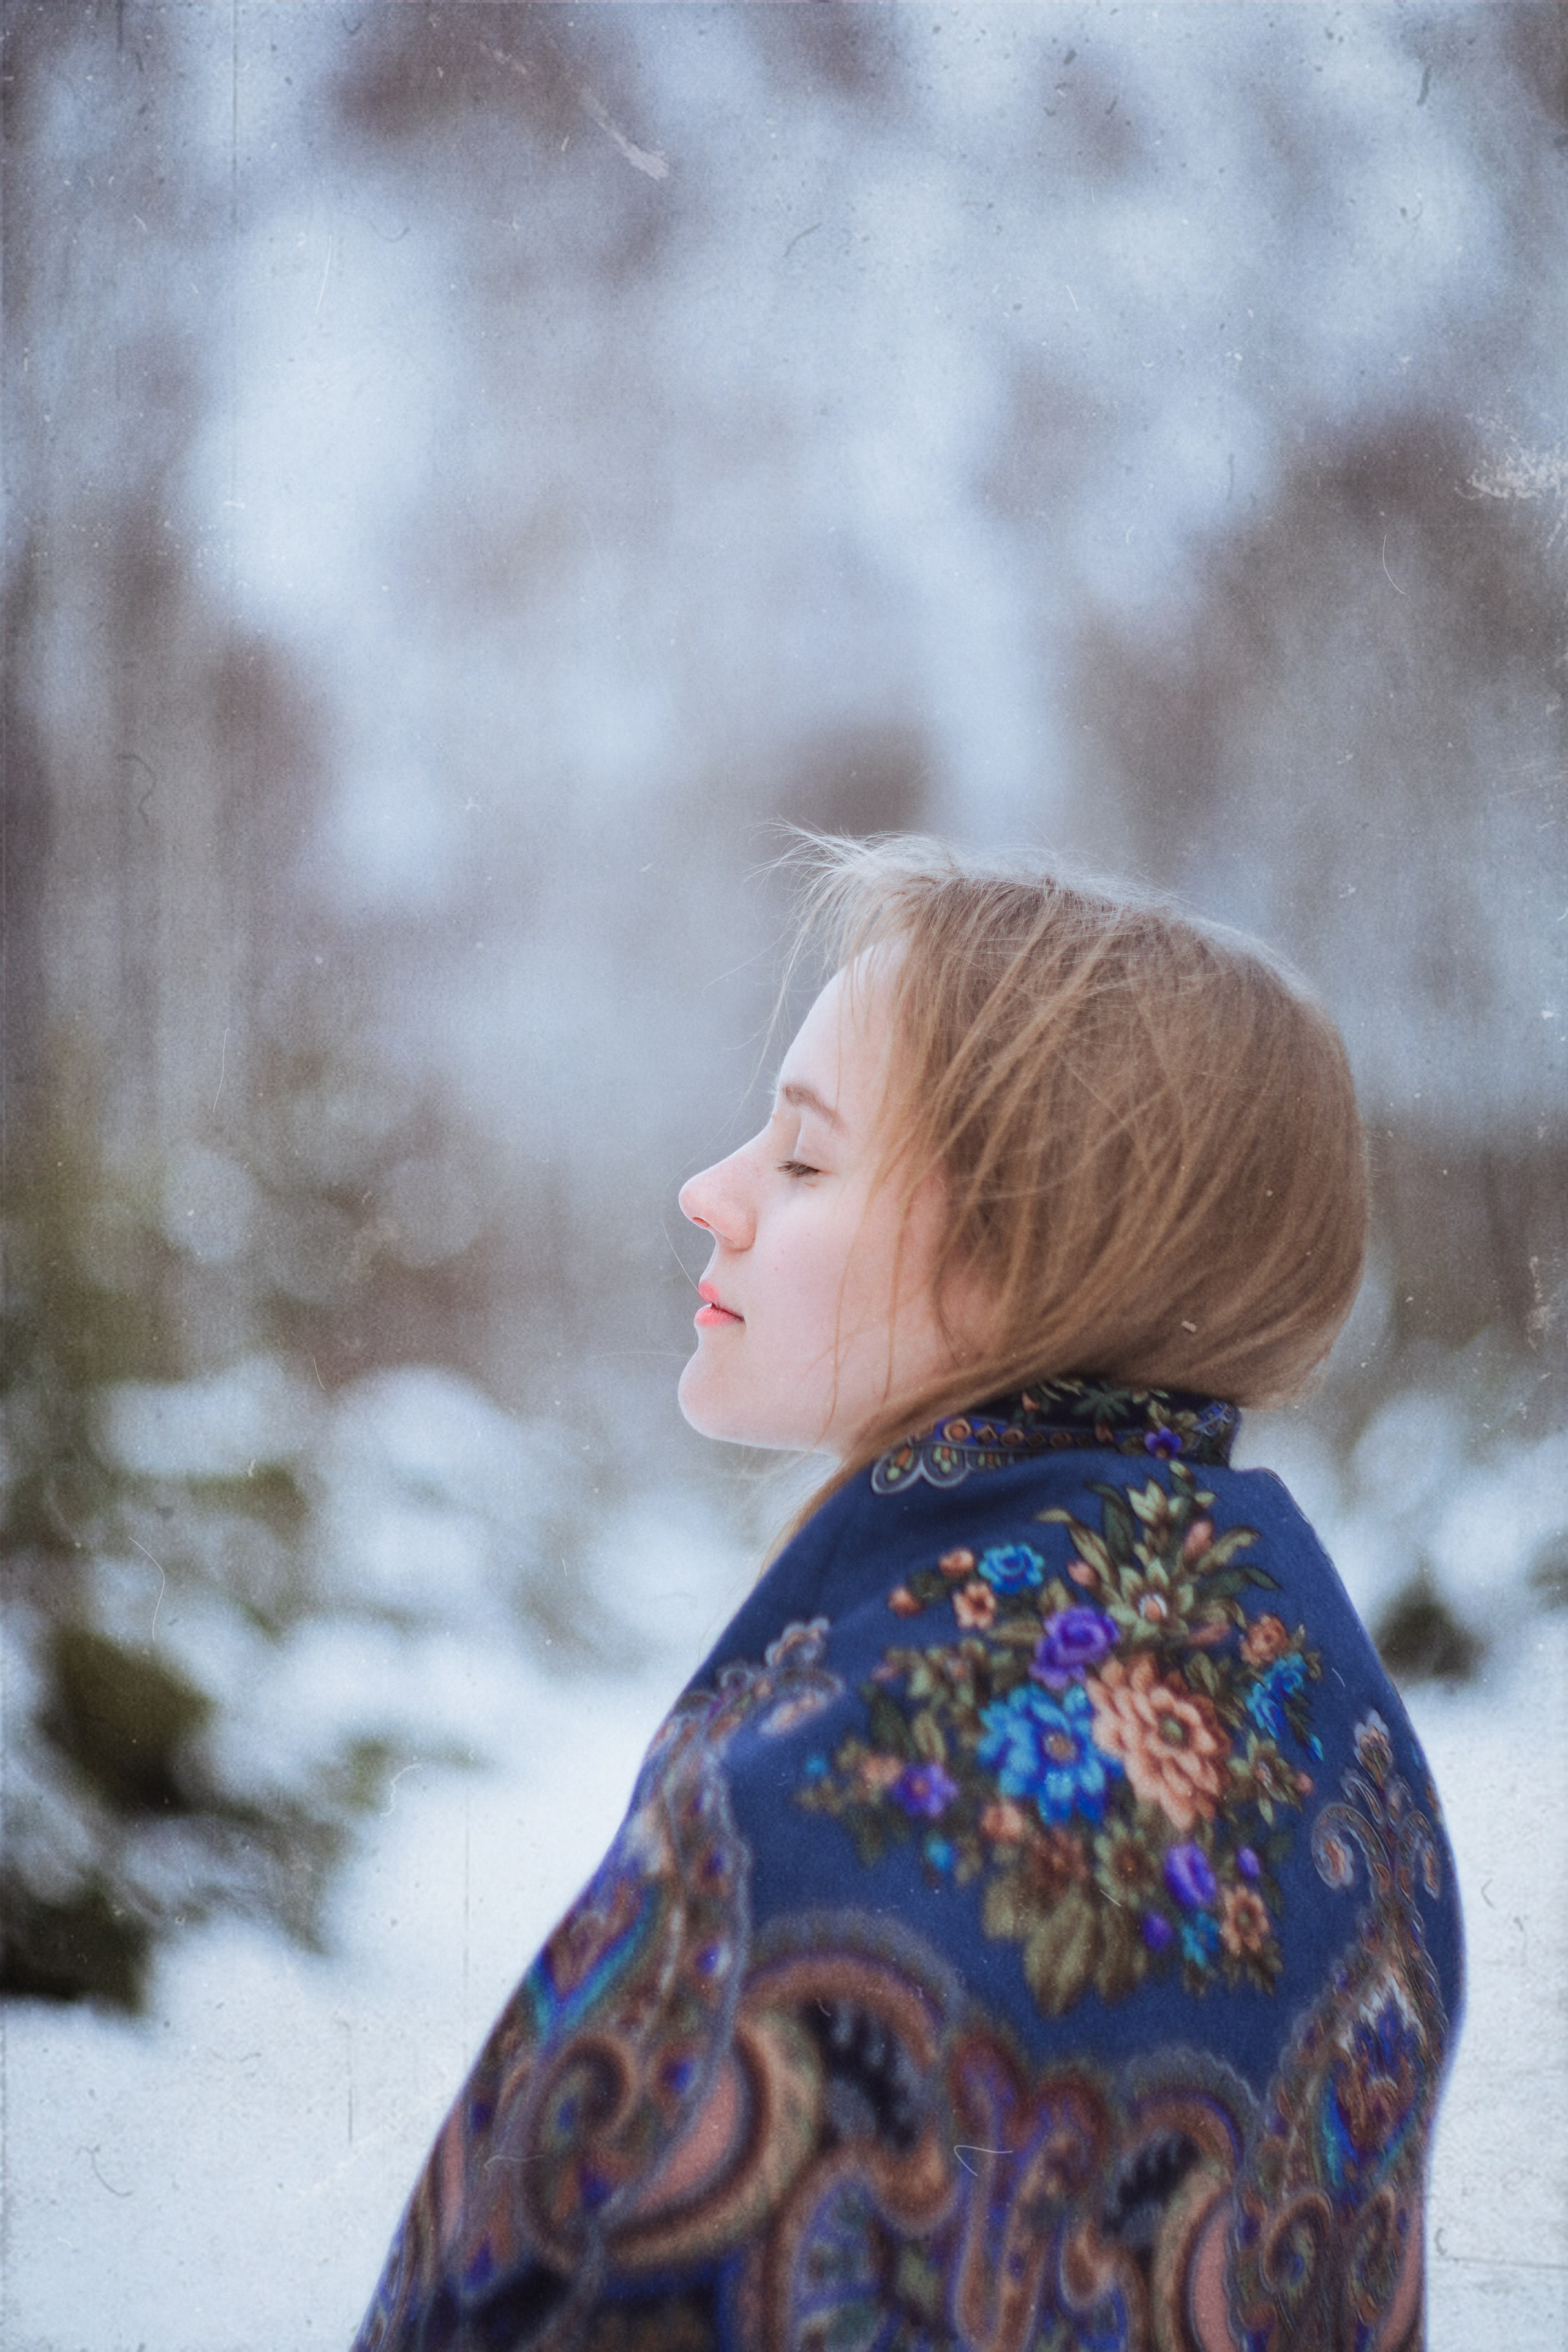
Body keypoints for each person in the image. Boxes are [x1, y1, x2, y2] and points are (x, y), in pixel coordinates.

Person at [352, 839, 1463, 2352]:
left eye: (803, 1161)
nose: (708, 1193)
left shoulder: (828, 1819)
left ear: (1028, 1257)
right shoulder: (1327, 1722)